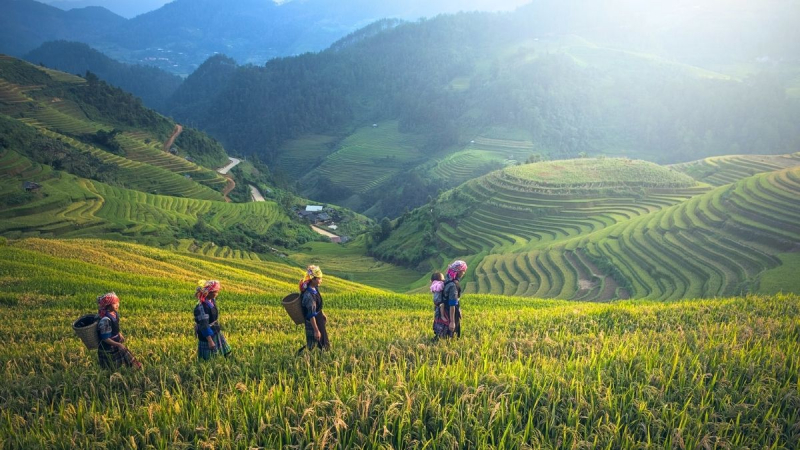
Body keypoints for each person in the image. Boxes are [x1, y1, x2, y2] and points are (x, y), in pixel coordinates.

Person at [96, 292, 142, 370]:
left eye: (118, 302)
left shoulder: (114, 314)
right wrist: (118, 344)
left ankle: (134, 367)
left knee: (124, 357)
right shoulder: (105, 320)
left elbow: (114, 328)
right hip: (108, 347)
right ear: (108, 305)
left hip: (115, 342)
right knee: (113, 366)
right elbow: (105, 338)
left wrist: (119, 334)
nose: (117, 305)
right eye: (114, 303)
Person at [194, 280, 232, 360]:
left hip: (215, 330)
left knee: (227, 352)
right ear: (209, 293)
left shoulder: (211, 301)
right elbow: (204, 325)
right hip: (207, 334)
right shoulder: (202, 307)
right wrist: (210, 341)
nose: (217, 293)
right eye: (216, 292)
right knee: (208, 358)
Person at [297, 265, 329, 354]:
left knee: (323, 343)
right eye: (319, 278)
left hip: (318, 318)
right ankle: (301, 356)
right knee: (312, 344)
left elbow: (317, 306)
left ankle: (320, 357)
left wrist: (322, 314)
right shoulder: (309, 295)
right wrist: (316, 330)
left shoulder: (315, 288)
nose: (321, 280)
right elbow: (311, 315)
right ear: (313, 279)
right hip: (313, 322)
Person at [443, 260, 467, 338]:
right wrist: (452, 322)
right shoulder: (454, 285)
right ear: (459, 272)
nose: (464, 273)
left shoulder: (447, 279)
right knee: (452, 335)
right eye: (463, 271)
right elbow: (452, 304)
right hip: (451, 312)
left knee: (443, 333)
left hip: (444, 310)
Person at [430, 271, 449, 339]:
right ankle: (441, 334)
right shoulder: (440, 284)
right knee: (442, 307)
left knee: (438, 318)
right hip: (439, 301)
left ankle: (438, 334)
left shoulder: (434, 284)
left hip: (437, 302)